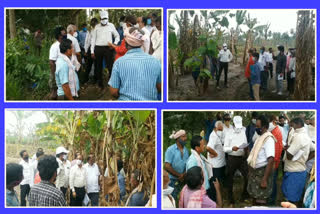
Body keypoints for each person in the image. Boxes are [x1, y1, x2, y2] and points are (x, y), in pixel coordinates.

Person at [108, 27, 161, 101]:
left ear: (126, 43)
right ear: (141, 43)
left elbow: (113, 92)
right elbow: (160, 87)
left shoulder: (119, 63)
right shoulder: (156, 62)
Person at [282, 118, 313, 206]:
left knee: (292, 200)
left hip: (294, 172)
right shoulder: (305, 136)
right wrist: (305, 159)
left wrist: (287, 148)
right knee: (294, 197)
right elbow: (314, 149)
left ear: (297, 124)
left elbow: (289, 155)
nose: (291, 128)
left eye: (292, 125)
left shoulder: (299, 137)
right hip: (298, 170)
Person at [247, 115, 275, 205]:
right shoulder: (260, 137)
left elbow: (271, 160)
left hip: (262, 173)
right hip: (255, 173)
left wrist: (264, 179)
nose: (256, 128)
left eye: (258, 127)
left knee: (261, 199)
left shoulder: (268, 139)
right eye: (256, 126)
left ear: (265, 127)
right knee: (255, 196)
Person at [223, 116, 249, 206]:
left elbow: (246, 142)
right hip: (232, 158)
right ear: (233, 124)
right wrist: (231, 148)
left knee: (247, 176)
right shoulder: (228, 133)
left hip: (242, 158)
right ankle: (231, 200)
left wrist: (246, 148)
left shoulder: (244, 131)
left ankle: (244, 196)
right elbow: (225, 148)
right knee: (230, 178)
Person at [91, 10, 120, 87]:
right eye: (102, 19)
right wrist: (92, 51)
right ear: (100, 19)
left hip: (108, 48)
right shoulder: (96, 27)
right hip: (98, 48)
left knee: (110, 65)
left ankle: (112, 82)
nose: (104, 20)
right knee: (98, 66)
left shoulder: (111, 25)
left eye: (105, 18)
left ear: (107, 18)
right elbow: (93, 39)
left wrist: (114, 44)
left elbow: (117, 36)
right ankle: (100, 82)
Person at [164, 130, 189, 200]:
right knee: (172, 198)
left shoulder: (186, 150)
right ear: (178, 139)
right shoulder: (170, 150)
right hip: (172, 180)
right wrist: (179, 175)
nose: (185, 138)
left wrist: (183, 175)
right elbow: (167, 166)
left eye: (185, 136)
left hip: (182, 179)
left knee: (181, 198)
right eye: (183, 137)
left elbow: (187, 164)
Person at [268, 115, 283, 205]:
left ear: (272, 122)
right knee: (272, 181)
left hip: (273, 162)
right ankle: (271, 200)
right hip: (274, 161)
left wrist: (273, 163)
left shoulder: (274, 132)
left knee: (272, 182)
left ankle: (271, 202)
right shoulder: (275, 130)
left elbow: (276, 149)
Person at [49, 26, 66, 100]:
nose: (65, 35)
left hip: (64, 71)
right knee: (55, 92)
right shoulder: (55, 46)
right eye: (64, 33)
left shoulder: (64, 44)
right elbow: (52, 62)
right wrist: (54, 75)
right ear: (59, 36)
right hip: (57, 71)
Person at [83, 18, 98, 84]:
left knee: (97, 65)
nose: (94, 25)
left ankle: (96, 79)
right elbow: (87, 41)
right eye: (93, 23)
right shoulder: (90, 31)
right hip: (91, 48)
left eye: (94, 23)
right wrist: (86, 50)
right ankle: (86, 79)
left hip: (97, 48)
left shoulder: (99, 30)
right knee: (89, 65)